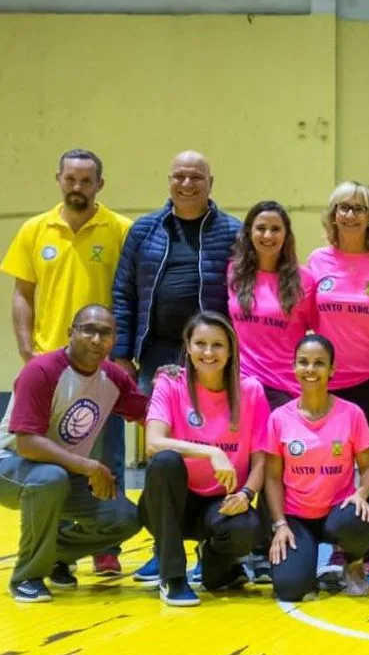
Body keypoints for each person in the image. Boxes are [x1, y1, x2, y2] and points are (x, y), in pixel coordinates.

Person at [1, 148, 132, 576]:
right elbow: (23, 292)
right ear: (58, 178)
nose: (78, 188)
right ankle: (43, 555)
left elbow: (131, 295)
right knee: (48, 469)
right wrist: (26, 349)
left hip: (102, 369)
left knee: (106, 457)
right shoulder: (35, 230)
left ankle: (101, 547)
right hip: (50, 365)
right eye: (70, 180)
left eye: (86, 181)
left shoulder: (120, 230)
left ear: (100, 185)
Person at [0, 305, 145, 602]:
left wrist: (180, 383)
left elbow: (149, 413)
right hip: (11, 464)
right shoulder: (41, 370)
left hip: (66, 473)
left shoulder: (113, 378)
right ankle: (27, 576)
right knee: (49, 478)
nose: (95, 339)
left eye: (105, 333)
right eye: (87, 329)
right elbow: (27, 443)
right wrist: (89, 466)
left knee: (126, 517)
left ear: (113, 340)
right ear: (70, 333)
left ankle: (52, 556)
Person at [306, 181, 369, 576]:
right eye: (342, 208)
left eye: (358, 208)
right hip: (327, 382)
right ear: (332, 216)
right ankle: (339, 541)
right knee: (334, 466)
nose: (349, 214)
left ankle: (363, 542)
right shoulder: (316, 261)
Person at [137, 312, 267, 606]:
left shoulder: (251, 390)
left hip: (219, 506)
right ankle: (172, 576)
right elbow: (153, 443)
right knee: (165, 461)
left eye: (218, 345)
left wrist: (247, 493)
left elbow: (261, 460)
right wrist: (213, 452)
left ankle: (213, 560)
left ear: (231, 349)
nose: (209, 352)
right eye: (201, 344)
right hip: (172, 504)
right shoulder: (170, 384)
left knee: (246, 531)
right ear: (188, 346)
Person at [113, 150, 241, 393]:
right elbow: (123, 293)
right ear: (169, 182)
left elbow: (246, 297)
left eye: (196, 178)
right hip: (155, 354)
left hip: (212, 354)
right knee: (156, 425)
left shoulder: (234, 232)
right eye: (179, 177)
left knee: (207, 426)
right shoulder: (143, 230)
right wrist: (121, 355)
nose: (186, 184)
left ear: (210, 183)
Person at [265, 334, 369, 602]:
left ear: (332, 369)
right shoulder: (279, 418)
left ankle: (352, 564)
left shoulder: (352, 414)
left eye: (319, 363)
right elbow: (271, 477)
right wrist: (280, 524)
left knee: (358, 516)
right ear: (294, 368)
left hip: (337, 513)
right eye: (303, 362)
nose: (310, 369)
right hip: (297, 519)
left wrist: (361, 494)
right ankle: (304, 568)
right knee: (290, 589)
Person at [228, 201, 316, 409]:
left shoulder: (304, 279)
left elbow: (319, 331)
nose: (268, 235)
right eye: (261, 228)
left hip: (284, 388)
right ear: (249, 233)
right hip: (241, 385)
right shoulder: (234, 272)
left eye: (275, 229)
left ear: (286, 235)